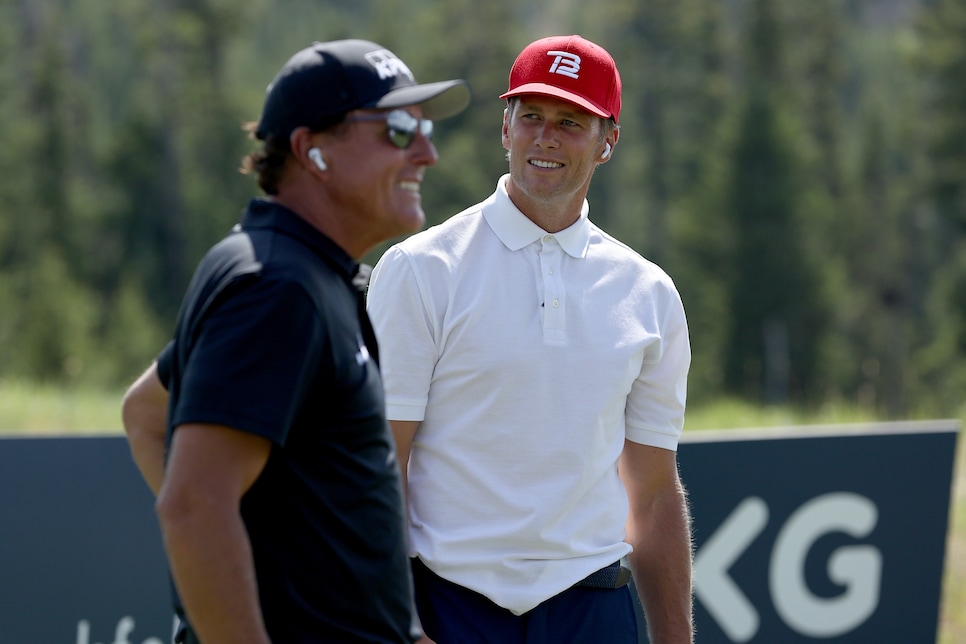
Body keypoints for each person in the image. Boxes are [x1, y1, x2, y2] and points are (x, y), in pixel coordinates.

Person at [121, 39, 470, 644]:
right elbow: (194, 506)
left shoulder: (303, 274)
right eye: (395, 129)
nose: (426, 153)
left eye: (424, 128)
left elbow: (145, 412)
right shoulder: (276, 289)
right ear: (312, 151)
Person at [366, 35, 693, 643]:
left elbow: (650, 493)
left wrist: (675, 637)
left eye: (570, 122)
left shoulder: (648, 294)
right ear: (505, 127)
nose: (545, 137)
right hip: (449, 606)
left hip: (592, 608)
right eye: (531, 116)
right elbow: (383, 465)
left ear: (608, 142)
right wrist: (404, 626)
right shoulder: (422, 268)